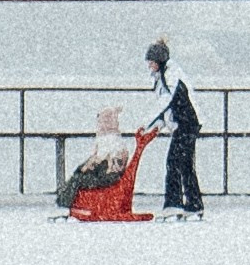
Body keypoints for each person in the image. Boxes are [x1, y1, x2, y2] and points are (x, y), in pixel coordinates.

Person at [144, 40, 203, 218]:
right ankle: (194, 205)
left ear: (159, 61)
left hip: (186, 123)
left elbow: (165, 102)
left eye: (151, 62)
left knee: (174, 162)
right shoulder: (165, 75)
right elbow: (167, 110)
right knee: (185, 165)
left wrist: (145, 123)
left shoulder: (171, 75)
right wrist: (155, 127)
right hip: (185, 123)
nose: (149, 65)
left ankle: (174, 204)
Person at [58, 104, 132, 209]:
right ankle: (65, 200)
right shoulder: (113, 139)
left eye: (103, 121)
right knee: (78, 175)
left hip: (106, 178)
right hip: (107, 175)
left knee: (78, 178)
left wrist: (87, 167)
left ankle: (65, 202)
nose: (100, 124)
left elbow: (102, 161)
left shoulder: (111, 140)